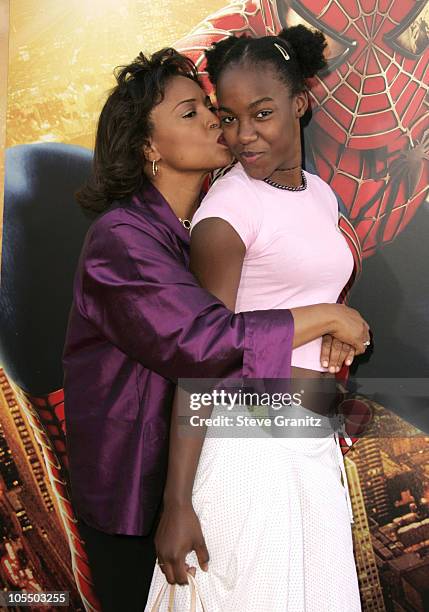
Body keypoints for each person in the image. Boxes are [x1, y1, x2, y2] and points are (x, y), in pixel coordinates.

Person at [63, 47, 368, 611]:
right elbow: (204, 343)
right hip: (138, 488)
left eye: (210, 108)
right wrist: (326, 317)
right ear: (148, 146)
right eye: (190, 113)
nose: (215, 120)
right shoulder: (122, 241)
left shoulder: (194, 228)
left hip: (210, 462)